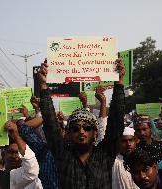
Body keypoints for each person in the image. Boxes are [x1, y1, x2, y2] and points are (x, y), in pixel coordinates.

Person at [38, 58, 125, 189]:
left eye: (87, 127)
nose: (81, 131)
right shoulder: (63, 155)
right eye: (75, 128)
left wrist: (119, 83)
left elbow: (116, 124)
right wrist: (44, 86)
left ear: (95, 132)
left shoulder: (105, 154)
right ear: (67, 133)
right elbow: (51, 125)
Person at [4, 121, 59, 189]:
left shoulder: (33, 180)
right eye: (11, 152)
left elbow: (31, 171)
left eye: (18, 152)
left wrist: (16, 135)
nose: (14, 156)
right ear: (3, 153)